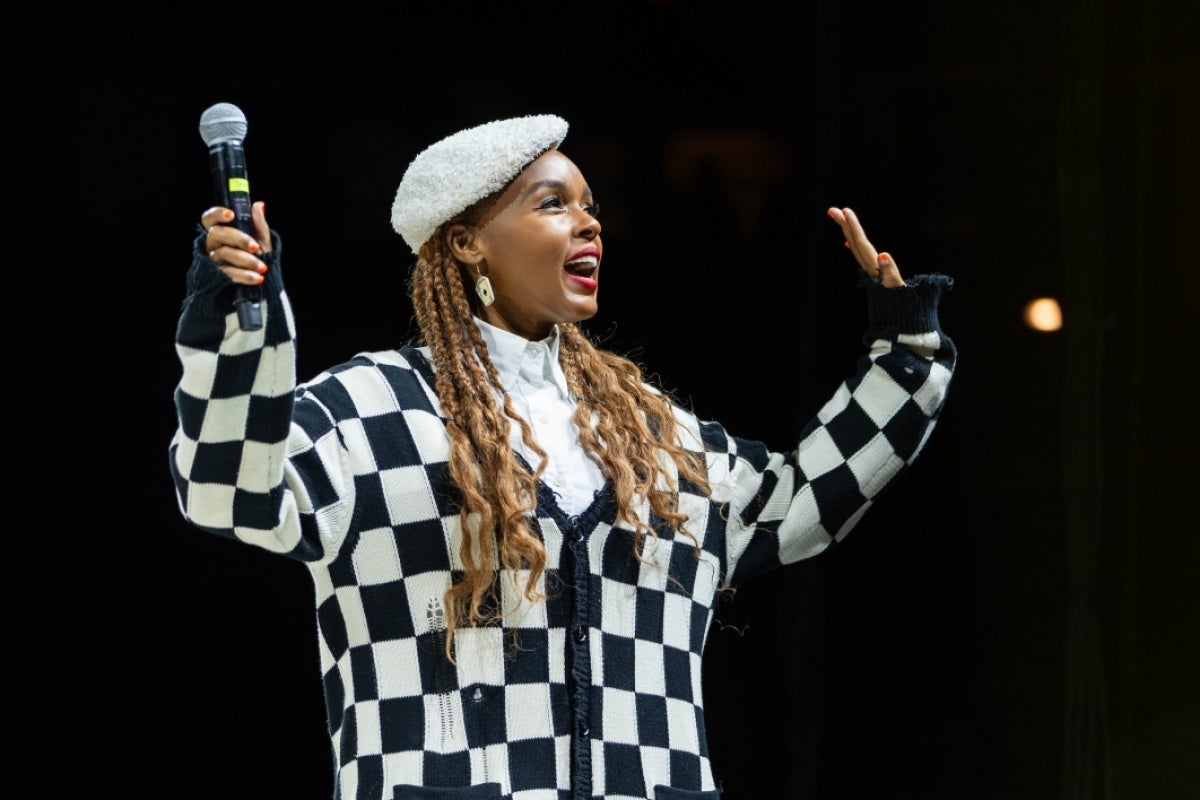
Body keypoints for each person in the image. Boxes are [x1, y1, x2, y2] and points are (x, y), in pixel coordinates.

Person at [169, 112, 957, 800]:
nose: (590, 224)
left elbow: (799, 505)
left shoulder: (646, 434)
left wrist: (904, 347)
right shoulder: (368, 413)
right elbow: (226, 490)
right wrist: (239, 324)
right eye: (553, 204)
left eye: (591, 206)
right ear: (468, 242)